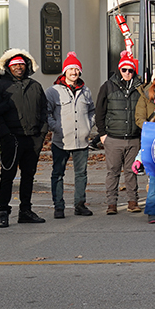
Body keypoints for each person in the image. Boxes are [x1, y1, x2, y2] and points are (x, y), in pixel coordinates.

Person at [0, 48, 47, 227]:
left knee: (28, 176)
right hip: (11, 139)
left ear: (27, 65)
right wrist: (5, 134)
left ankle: (25, 211)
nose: (19, 67)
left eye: (21, 64)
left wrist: (42, 133)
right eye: (15, 65)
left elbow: (44, 110)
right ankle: (3, 212)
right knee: (7, 176)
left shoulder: (35, 86)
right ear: (8, 67)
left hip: (32, 139)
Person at [92, 51, 144, 215]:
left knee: (131, 172)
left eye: (130, 70)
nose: (127, 73)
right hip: (113, 137)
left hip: (133, 138)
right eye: (124, 70)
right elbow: (99, 111)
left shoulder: (139, 87)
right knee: (113, 172)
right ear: (119, 70)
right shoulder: (108, 86)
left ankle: (132, 201)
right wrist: (102, 134)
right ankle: (111, 203)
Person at [46, 51, 95, 219]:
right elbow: (46, 113)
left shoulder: (86, 91)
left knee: (81, 174)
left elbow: (92, 111)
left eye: (76, 69)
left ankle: (79, 204)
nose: (74, 73)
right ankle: (58, 206)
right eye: (70, 69)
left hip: (81, 141)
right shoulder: (53, 91)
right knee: (58, 174)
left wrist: (89, 125)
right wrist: (55, 127)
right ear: (64, 71)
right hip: (61, 141)